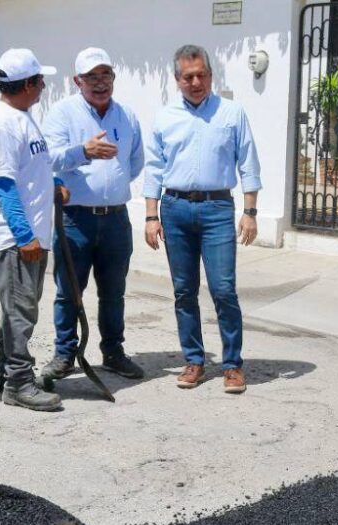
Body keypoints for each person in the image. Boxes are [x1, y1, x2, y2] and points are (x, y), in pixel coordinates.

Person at [143, 44, 261, 394]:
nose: (196, 82)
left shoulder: (231, 113)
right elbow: (154, 169)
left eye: (202, 75)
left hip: (216, 210)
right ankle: (194, 360)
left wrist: (250, 212)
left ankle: (232, 365)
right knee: (184, 291)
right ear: (177, 79)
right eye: (188, 77)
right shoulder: (165, 117)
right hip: (175, 209)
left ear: (211, 75)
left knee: (223, 289)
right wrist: (151, 216)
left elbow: (248, 163)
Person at [41, 47, 145, 383]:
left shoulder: (126, 115)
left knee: (113, 291)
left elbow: (135, 162)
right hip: (75, 220)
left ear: (113, 78)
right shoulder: (62, 113)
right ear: (77, 81)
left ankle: (113, 352)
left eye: (106, 75)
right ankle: (64, 353)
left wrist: (109, 188)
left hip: (115, 218)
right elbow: (49, 159)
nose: (100, 83)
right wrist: (83, 152)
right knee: (69, 291)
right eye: (91, 77)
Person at [0, 48, 68, 411]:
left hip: (31, 233)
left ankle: (6, 370)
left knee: (16, 306)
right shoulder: (2, 124)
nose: (44, 86)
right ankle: (18, 382)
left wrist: (54, 184)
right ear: (27, 84)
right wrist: (24, 235)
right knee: (21, 310)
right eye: (40, 80)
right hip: (19, 237)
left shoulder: (22, 116)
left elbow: (32, 169)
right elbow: (3, 185)